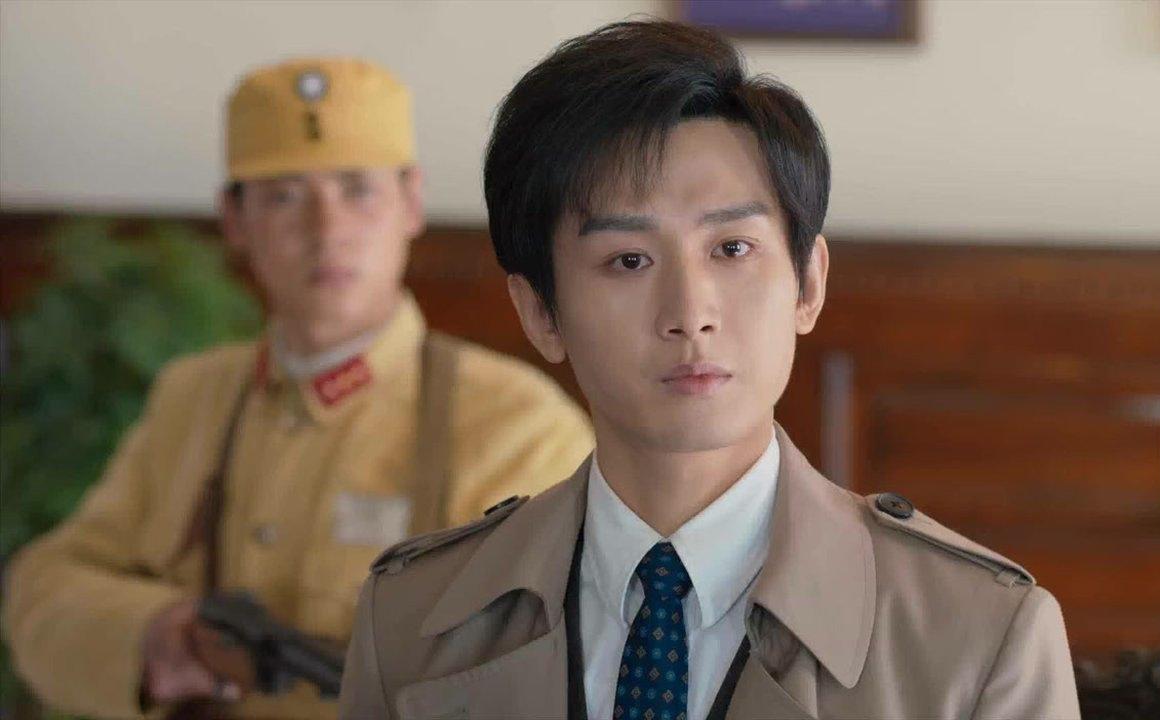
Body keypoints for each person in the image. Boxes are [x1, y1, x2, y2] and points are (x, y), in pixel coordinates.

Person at [338, 21, 1080, 720]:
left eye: (732, 249)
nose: (690, 313)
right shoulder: (409, 619)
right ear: (540, 312)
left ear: (808, 284)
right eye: (629, 260)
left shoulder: (980, 637)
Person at [1, 57, 594, 719]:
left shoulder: (519, 427)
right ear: (234, 218)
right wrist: (155, 633)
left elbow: (559, 670)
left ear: (410, 202)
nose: (326, 230)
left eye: (357, 190)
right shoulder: (192, 398)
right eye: (284, 195)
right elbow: (44, 586)